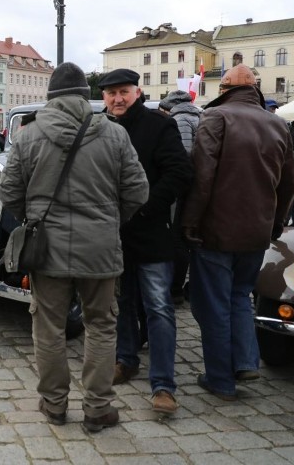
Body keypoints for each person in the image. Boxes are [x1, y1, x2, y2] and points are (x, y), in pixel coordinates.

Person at [0, 62, 149, 432]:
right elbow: (138, 192)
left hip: (45, 249)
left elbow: (9, 192)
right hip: (100, 249)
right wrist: (110, 220)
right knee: (100, 326)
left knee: (48, 328)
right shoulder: (114, 135)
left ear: (50, 97)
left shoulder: (29, 135)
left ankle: (54, 405)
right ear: (88, 96)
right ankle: (98, 408)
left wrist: (34, 217)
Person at [182, 64, 294, 399]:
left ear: (225, 88)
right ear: (255, 90)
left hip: (216, 230)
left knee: (214, 303)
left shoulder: (216, 118)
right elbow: (289, 184)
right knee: (241, 297)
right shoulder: (278, 124)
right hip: (257, 230)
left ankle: (220, 379)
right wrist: (276, 222)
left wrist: (189, 221)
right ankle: (246, 361)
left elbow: (201, 178)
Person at [100, 68, 193, 417]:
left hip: (151, 232)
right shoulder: (100, 128)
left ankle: (163, 384)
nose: (117, 99)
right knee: (122, 302)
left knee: (158, 307)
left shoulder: (159, 125)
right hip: (114, 234)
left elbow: (180, 173)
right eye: (111, 94)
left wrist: (145, 207)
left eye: (123, 92)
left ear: (137, 92)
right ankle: (125, 359)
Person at [158, 90, 202, 305]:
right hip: (199, 186)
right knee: (189, 237)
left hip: (185, 187)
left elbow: (183, 155)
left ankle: (174, 290)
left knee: (178, 238)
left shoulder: (181, 119)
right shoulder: (200, 116)